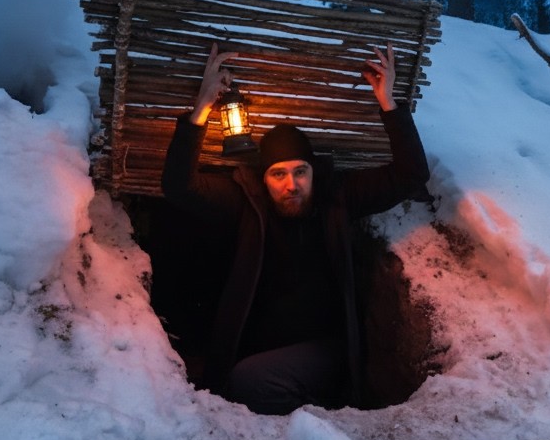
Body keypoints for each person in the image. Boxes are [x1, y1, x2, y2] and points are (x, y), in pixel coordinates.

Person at [161, 42, 430, 414]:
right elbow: (179, 187)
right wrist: (202, 107)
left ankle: (318, 419)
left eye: (300, 171)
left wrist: (388, 103)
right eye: (279, 174)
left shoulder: (337, 198)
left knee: (249, 382)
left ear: (313, 172)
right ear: (264, 177)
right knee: (229, 379)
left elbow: (411, 175)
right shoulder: (248, 201)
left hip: (323, 349)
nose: (292, 184)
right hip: (261, 344)